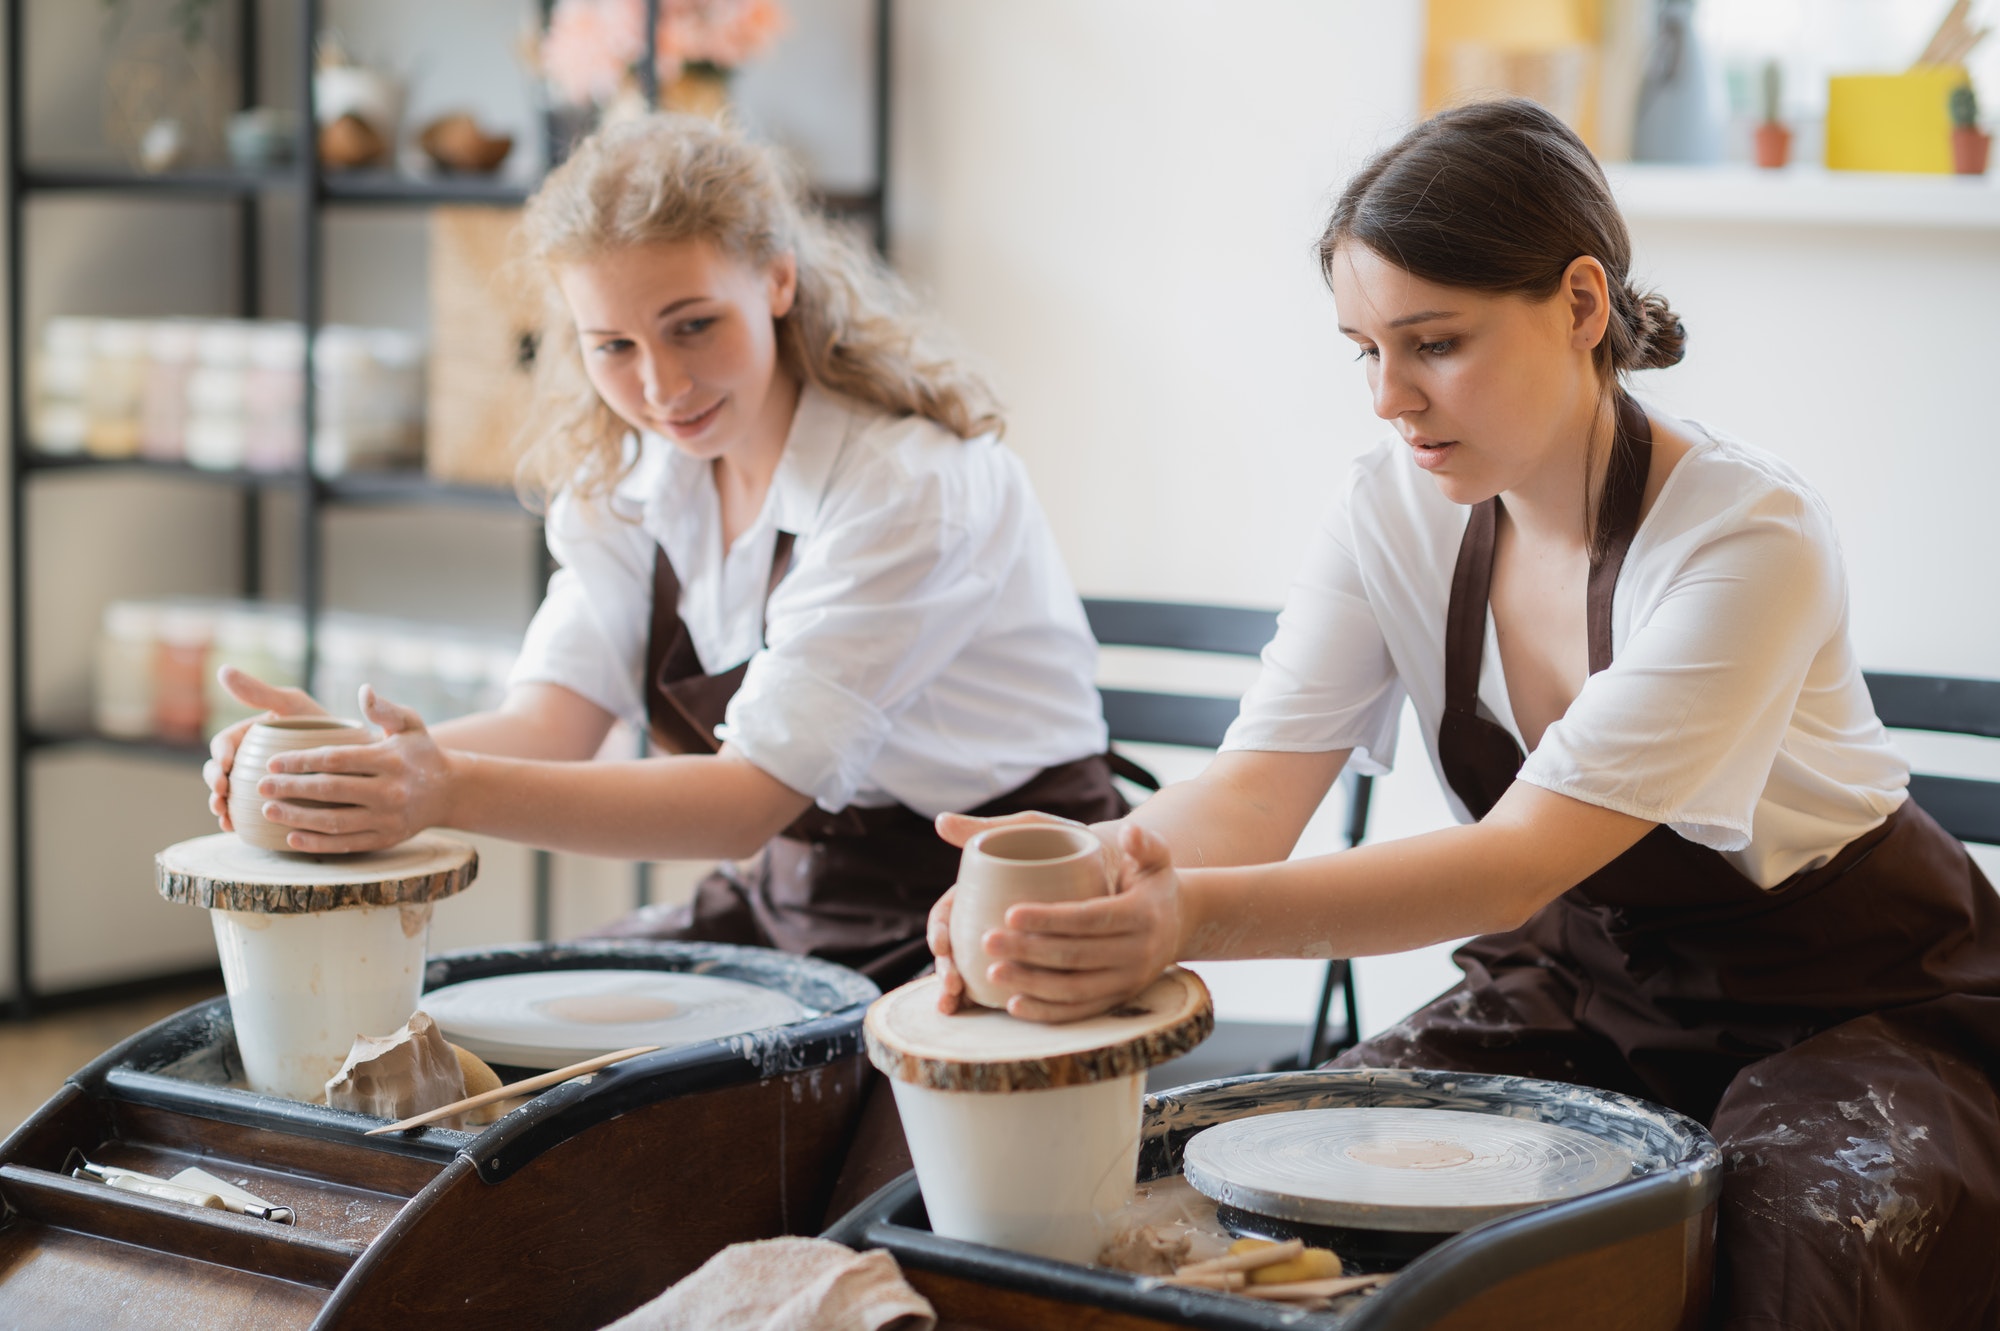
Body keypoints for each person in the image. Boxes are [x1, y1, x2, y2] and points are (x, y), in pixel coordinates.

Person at [927, 99, 2000, 1328]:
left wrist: (1183, 917)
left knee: (1795, 1247)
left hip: (1852, 1004)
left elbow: (1510, 866)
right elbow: (1253, 789)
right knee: (1301, 1194)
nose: (1389, 397)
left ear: (1582, 305)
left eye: (1432, 342)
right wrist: (1077, 877)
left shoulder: (1745, 539)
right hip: (1577, 985)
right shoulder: (1388, 508)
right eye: (1362, 349)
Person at [203, 112, 1123, 987]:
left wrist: (438, 792)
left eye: (693, 325)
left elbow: (746, 800)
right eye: (612, 346)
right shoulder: (635, 482)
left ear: (776, 281)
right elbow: (548, 727)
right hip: (793, 902)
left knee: (804, 1149)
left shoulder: (907, 486)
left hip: (1007, 917)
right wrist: (335, 768)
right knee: (529, 1056)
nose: (661, 386)